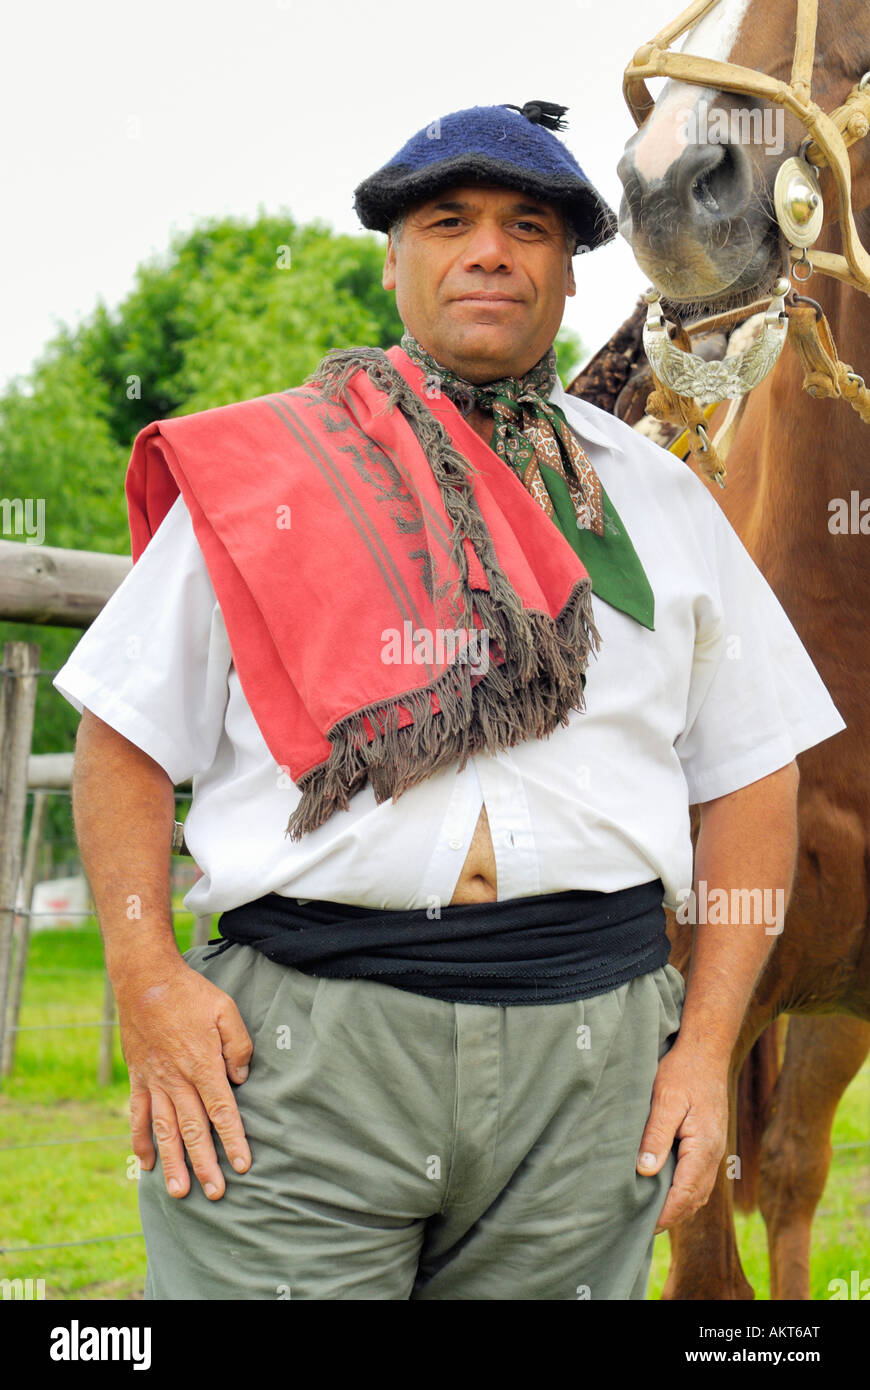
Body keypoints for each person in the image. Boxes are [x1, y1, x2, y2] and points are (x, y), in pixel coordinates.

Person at [55, 100, 845, 1301]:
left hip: (589, 1071)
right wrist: (148, 979)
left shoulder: (665, 501)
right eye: (448, 220)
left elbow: (753, 771)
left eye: (529, 226)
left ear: (569, 279)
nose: (489, 250)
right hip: (302, 1057)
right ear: (394, 259)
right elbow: (119, 734)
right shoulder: (265, 471)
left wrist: (702, 1048)